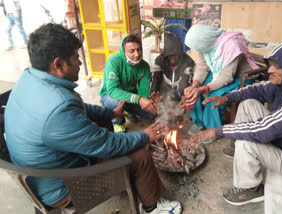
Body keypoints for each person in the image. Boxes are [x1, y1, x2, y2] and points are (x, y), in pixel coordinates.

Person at [5, 24, 182, 214]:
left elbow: (79, 107)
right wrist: (144, 136)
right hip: (61, 187)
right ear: (58, 64)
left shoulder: (31, 78)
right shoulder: (58, 108)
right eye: (76, 57)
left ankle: (122, 168)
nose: (80, 63)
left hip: (40, 170)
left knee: (107, 125)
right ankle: (153, 206)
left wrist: (110, 114)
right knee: (141, 155)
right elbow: (107, 144)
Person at [192, 38, 282, 206]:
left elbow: (264, 129)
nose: (270, 70)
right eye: (270, 64)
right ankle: (243, 155)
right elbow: (257, 89)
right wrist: (226, 98)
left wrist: (217, 131)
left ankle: (251, 189)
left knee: (246, 143)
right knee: (248, 104)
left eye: (277, 66)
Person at [181, 24, 259, 144]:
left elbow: (226, 77)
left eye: (198, 48)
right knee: (193, 92)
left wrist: (204, 88)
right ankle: (200, 122)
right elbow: (202, 67)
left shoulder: (232, 45)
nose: (198, 51)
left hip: (241, 76)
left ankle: (213, 129)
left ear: (203, 41)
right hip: (218, 72)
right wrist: (195, 85)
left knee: (214, 94)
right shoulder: (204, 45)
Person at [99, 34, 160, 132]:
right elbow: (112, 90)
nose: (137, 54)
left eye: (139, 49)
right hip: (110, 95)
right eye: (131, 51)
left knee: (151, 114)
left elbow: (143, 91)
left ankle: (128, 111)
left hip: (130, 95)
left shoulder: (144, 66)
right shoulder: (114, 61)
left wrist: (147, 101)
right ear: (124, 52)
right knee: (116, 102)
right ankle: (118, 122)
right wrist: (139, 99)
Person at [150, 37, 194, 102]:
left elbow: (185, 82)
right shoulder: (160, 60)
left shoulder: (188, 61)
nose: (172, 57)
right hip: (164, 89)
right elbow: (156, 79)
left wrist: (183, 96)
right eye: (170, 55)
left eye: (175, 55)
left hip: (179, 90)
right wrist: (154, 93)